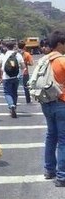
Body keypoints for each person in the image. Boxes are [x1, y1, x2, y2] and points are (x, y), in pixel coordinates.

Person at [37, 30, 65, 187]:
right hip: (61, 102)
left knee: (51, 135)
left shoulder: (44, 60)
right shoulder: (62, 61)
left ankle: (49, 170)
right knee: (63, 140)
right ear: (60, 44)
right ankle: (62, 176)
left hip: (46, 102)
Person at [0, 42, 25, 118]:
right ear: (14, 46)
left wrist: (2, 70)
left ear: (6, 47)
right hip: (16, 77)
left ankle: (11, 105)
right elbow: (23, 66)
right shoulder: (18, 55)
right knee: (14, 93)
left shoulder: (3, 55)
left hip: (6, 77)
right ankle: (14, 106)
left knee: (7, 93)